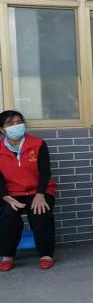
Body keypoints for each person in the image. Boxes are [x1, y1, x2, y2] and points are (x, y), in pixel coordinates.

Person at [0, 110, 56, 271]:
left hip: (39, 190)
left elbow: (45, 172)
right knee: (8, 215)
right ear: (2, 130)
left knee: (41, 212)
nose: (15, 126)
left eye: (18, 122)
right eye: (10, 124)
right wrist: (6, 198)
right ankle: (7, 254)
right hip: (11, 194)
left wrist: (40, 195)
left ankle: (46, 253)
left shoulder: (37, 144)